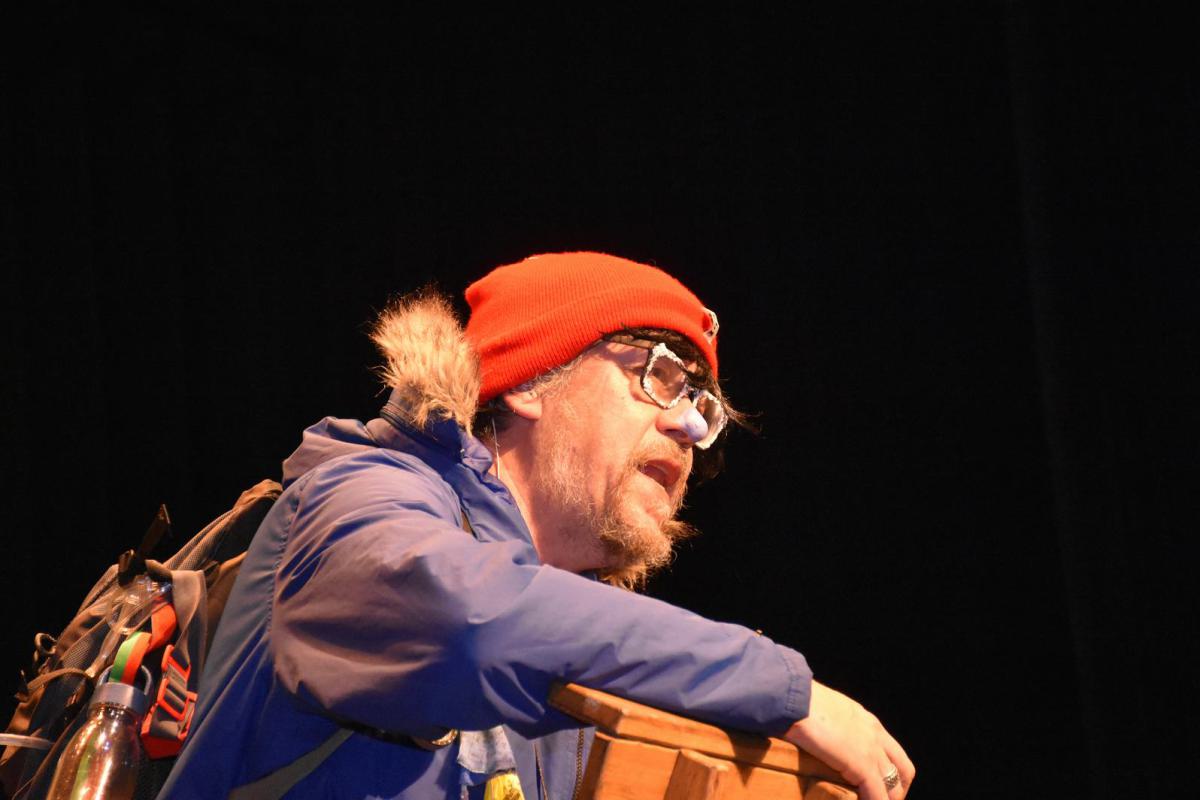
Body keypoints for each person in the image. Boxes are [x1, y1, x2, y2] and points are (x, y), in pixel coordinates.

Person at [159, 252, 914, 800]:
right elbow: (471, 625)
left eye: (704, 408)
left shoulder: (589, 657)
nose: (689, 426)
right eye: (660, 376)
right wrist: (784, 687)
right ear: (529, 383)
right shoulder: (357, 497)